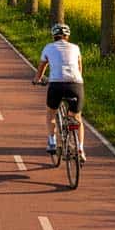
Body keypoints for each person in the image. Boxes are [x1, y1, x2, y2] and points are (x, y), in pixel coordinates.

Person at [32, 23, 86, 162]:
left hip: (56, 85)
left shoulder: (48, 48)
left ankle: (52, 142)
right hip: (76, 84)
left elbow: (42, 67)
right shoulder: (75, 48)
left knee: (51, 113)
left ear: (53, 36)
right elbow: (79, 68)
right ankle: (80, 149)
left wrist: (37, 80)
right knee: (77, 117)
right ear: (67, 36)